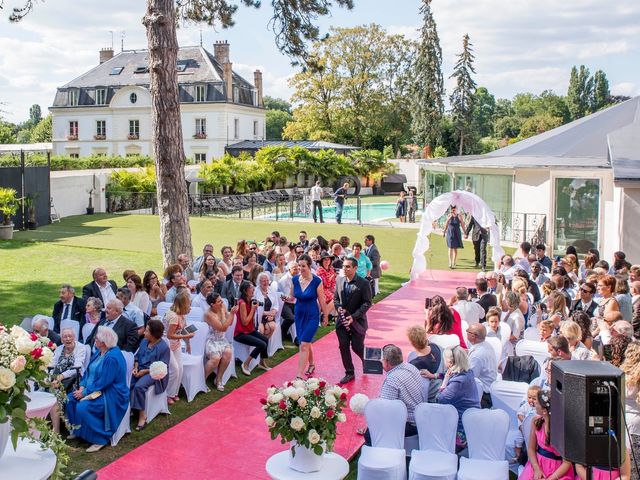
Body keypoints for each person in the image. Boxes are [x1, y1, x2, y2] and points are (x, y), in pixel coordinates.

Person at [65, 326, 129, 452]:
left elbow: (104, 382)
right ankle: (78, 430)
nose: (95, 340)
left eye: (97, 338)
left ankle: (100, 438)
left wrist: (84, 393)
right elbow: (88, 372)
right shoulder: (99, 352)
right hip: (92, 388)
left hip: (111, 392)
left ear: (104, 343)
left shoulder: (112, 358)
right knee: (69, 399)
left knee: (83, 407)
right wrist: (83, 385)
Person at [364, 344, 423, 446]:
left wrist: (371, 423)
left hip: (410, 424)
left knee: (369, 434)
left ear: (387, 362)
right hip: (420, 416)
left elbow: (383, 410)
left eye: (382, 360)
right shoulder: (411, 367)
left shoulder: (392, 380)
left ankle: (380, 452)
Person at [519, 389, 574, 480]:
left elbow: (567, 463)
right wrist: (537, 469)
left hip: (558, 471)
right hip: (538, 464)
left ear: (544, 410)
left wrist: (551, 478)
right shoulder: (536, 421)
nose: (534, 404)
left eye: (537, 402)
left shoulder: (561, 430)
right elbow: (531, 449)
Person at [334, 256, 372, 385]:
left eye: (348, 266)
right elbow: (336, 299)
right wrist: (339, 308)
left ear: (355, 268)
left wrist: (354, 316)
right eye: (343, 266)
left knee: (357, 347)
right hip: (342, 322)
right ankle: (349, 372)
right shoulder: (339, 280)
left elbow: (367, 303)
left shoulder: (364, 283)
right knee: (343, 346)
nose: (345, 269)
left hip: (357, 322)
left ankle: (366, 360)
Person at [436, 346, 480, 452]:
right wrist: (435, 376)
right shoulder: (467, 372)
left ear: (450, 363)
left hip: (462, 428)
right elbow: (451, 374)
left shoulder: (458, 383)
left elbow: (439, 399)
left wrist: (445, 381)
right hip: (472, 420)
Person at [293, 254, 329, 378]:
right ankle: (312, 364)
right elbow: (292, 296)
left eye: (303, 266)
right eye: (299, 266)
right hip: (298, 315)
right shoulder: (295, 279)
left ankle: (299, 374)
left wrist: (325, 316)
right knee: (305, 342)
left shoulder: (316, 281)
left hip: (312, 316)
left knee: (303, 345)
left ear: (309, 266)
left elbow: (322, 300)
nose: (300, 268)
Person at [131, 319, 170, 430]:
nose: (144, 333)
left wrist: (145, 371)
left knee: (139, 386)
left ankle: (142, 415)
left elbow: (163, 367)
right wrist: (136, 367)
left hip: (154, 373)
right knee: (127, 383)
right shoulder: (144, 341)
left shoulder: (163, 348)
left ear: (153, 334)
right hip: (140, 369)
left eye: (147, 331)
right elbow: (137, 356)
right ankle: (130, 409)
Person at [234, 281, 271, 375]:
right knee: (261, 344)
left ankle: (262, 363)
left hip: (249, 330)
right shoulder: (242, 303)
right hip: (240, 333)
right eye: (251, 288)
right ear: (245, 291)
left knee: (265, 340)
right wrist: (253, 309)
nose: (253, 289)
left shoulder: (250, 301)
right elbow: (245, 322)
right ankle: (245, 364)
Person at [165, 290, 195, 404]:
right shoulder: (174, 317)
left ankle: (174, 392)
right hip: (167, 344)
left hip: (176, 343)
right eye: (188, 304)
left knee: (180, 368)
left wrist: (188, 343)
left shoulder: (181, 315)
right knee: (175, 369)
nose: (190, 307)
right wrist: (188, 335)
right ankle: (168, 394)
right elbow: (169, 335)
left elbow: (184, 329)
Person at [203, 293, 236, 391]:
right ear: (212, 304)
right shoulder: (208, 314)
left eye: (221, 300)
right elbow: (222, 328)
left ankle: (218, 379)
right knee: (216, 358)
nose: (222, 302)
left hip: (222, 339)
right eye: (219, 301)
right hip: (211, 340)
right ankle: (202, 380)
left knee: (228, 353)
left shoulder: (223, 307)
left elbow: (229, 323)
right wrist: (232, 313)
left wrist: (229, 315)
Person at [407, 325, 443, 402]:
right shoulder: (435, 347)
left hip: (428, 398)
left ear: (412, 343)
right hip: (441, 390)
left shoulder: (415, 364)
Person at [466, 323, 497, 408]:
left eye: (467, 331)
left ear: (473, 336)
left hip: (482, 396)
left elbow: (470, 378)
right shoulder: (487, 345)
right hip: (490, 390)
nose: (466, 332)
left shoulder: (477, 356)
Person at [278, 261, 299, 345]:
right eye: (295, 269)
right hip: (284, 303)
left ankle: (299, 336)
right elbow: (286, 296)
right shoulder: (284, 279)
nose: (297, 270)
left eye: (298, 269)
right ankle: (283, 333)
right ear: (289, 269)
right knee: (291, 318)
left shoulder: (298, 277)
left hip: (294, 301)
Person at [254, 272, 279, 339]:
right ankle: (262, 346)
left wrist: (271, 315)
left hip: (269, 317)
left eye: (267, 280)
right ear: (259, 282)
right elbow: (255, 308)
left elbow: (276, 306)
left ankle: (266, 345)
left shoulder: (272, 290)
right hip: (258, 317)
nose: (266, 283)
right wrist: (265, 313)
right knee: (261, 330)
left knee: (272, 326)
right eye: (264, 281)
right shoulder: (255, 291)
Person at [316, 252, 337, 318]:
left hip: (329, 289)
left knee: (340, 294)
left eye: (328, 259)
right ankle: (325, 315)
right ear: (322, 261)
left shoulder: (331, 268)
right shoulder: (320, 270)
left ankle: (331, 315)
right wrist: (332, 276)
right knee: (335, 298)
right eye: (325, 259)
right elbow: (326, 284)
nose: (327, 261)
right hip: (321, 290)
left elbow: (333, 282)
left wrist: (333, 289)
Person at [504, 291, 525, 356]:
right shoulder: (510, 311)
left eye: (506, 299)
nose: (504, 301)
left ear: (509, 301)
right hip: (507, 343)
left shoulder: (517, 316)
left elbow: (515, 336)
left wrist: (501, 340)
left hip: (514, 348)